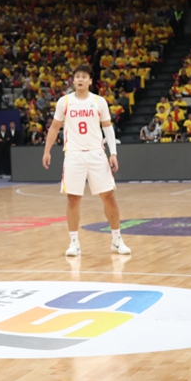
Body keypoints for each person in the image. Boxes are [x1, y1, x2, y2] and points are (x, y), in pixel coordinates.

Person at [42, 64, 131, 258]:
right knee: (73, 198)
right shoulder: (64, 102)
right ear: (73, 80)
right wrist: (47, 150)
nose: (80, 79)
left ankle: (117, 239)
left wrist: (113, 153)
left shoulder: (99, 101)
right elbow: (55, 127)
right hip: (74, 154)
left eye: (84, 76)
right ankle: (74, 242)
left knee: (108, 196)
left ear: (90, 81)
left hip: (96, 153)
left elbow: (107, 127)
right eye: (77, 76)